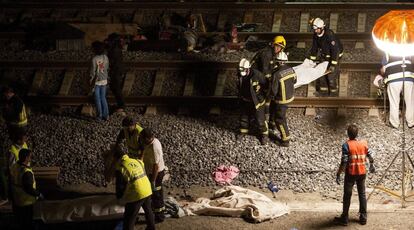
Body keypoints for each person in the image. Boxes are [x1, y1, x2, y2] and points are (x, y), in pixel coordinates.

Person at [334, 124, 375, 226]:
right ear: (357, 134)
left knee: (347, 195)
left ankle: (344, 218)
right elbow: (370, 156)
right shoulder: (364, 143)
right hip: (362, 172)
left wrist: (338, 174)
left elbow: (344, 162)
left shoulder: (346, 145)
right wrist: (371, 165)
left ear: (348, 134)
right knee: (362, 194)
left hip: (351, 173)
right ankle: (363, 217)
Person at [114, 145, 155, 230]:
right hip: (147, 189)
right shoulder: (136, 161)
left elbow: (120, 187)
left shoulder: (121, 168)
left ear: (116, 158)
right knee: (148, 211)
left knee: (129, 218)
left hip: (137, 193)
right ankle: (151, 228)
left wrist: (119, 197)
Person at [374, 54, 414, 129]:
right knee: (410, 102)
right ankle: (411, 122)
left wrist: (382, 74)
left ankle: (394, 123)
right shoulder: (407, 48)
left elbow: (383, 70)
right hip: (409, 76)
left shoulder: (387, 50)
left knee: (394, 102)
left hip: (393, 78)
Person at [268, 51, 296, 147]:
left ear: (278, 62)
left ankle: (285, 140)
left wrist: (269, 96)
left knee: (280, 119)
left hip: (281, 100)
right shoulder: (291, 69)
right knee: (273, 109)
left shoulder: (276, 74)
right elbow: (295, 80)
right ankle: (271, 124)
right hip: (290, 97)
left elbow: (274, 91)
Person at [309, 18, 343, 96]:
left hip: (335, 57)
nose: (315, 31)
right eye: (314, 29)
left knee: (331, 76)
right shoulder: (316, 35)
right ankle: (323, 92)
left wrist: (333, 65)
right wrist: (311, 60)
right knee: (321, 74)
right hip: (325, 55)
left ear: (321, 28)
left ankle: (333, 94)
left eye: (317, 29)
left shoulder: (330, 35)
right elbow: (314, 47)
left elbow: (335, 51)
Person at [238, 58, 269, 145]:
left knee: (260, 119)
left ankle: (264, 135)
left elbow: (266, 84)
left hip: (257, 101)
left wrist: (260, 93)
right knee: (244, 117)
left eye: (244, 70)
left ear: (248, 68)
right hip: (245, 100)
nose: (242, 73)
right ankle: (243, 131)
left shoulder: (257, 74)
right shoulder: (240, 73)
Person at [10, 149, 42, 229]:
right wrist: (39, 194)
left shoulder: (14, 166)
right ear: (26, 158)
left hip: (16, 198)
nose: (31, 159)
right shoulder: (26, 172)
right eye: (30, 157)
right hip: (26, 201)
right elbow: (29, 189)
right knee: (27, 220)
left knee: (19, 219)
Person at [140, 128, 166, 223]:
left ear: (148, 138)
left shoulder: (155, 147)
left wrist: (153, 181)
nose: (142, 140)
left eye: (143, 139)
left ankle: (159, 217)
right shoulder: (148, 143)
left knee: (157, 195)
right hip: (150, 171)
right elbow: (143, 150)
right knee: (153, 194)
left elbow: (156, 166)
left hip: (156, 174)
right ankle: (154, 211)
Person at [90, 41, 109, 121]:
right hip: (104, 80)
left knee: (97, 98)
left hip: (97, 81)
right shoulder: (105, 57)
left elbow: (92, 72)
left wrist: (90, 81)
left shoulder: (94, 59)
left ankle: (99, 116)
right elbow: (107, 68)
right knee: (103, 98)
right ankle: (106, 115)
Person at [107, 33, 126, 113]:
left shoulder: (113, 50)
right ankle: (120, 105)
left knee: (116, 88)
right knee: (115, 88)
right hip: (117, 71)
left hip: (115, 72)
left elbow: (111, 62)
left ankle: (121, 105)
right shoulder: (117, 48)